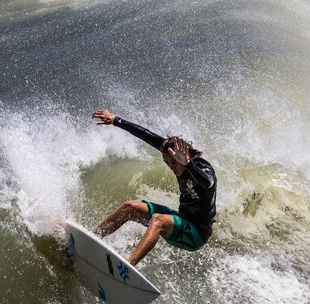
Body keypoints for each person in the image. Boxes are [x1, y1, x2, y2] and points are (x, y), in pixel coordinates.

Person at [92, 109, 217, 266]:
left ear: (187, 156)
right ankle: (91, 239)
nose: (171, 167)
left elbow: (208, 183)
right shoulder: (171, 153)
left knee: (157, 220)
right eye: (167, 163)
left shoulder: (202, 168)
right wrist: (116, 120)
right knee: (129, 207)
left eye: (174, 162)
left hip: (197, 233)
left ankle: (127, 267)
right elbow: (146, 135)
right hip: (182, 220)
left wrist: (189, 165)